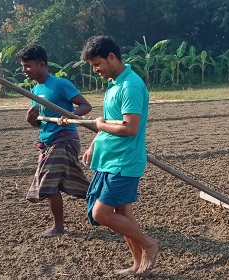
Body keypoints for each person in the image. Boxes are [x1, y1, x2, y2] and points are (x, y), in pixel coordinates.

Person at [80, 35, 158, 276]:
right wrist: (94, 143)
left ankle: (149, 243)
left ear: (112, 57)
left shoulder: (130, 86)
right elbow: (111, 120)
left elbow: (129, 128)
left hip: (124, 162)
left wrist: (100, 126)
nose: (95, 70)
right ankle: (136, 265)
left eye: (97, 64)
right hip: (110, 159)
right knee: (123, 214)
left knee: (101, 213)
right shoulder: (114, 83)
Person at [15, 44, 92, 237]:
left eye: (28, 66)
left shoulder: (60, 84)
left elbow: (85, 105)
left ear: (42, 64)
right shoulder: (35, 90)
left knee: (48, 184)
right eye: (23, 66)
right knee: (70, 184)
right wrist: (31, 120)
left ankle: (58, 228)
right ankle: (105, 202)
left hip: (64, 139)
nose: (24, 70)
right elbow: (40, 124)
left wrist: (70, 116)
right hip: (48, 141)